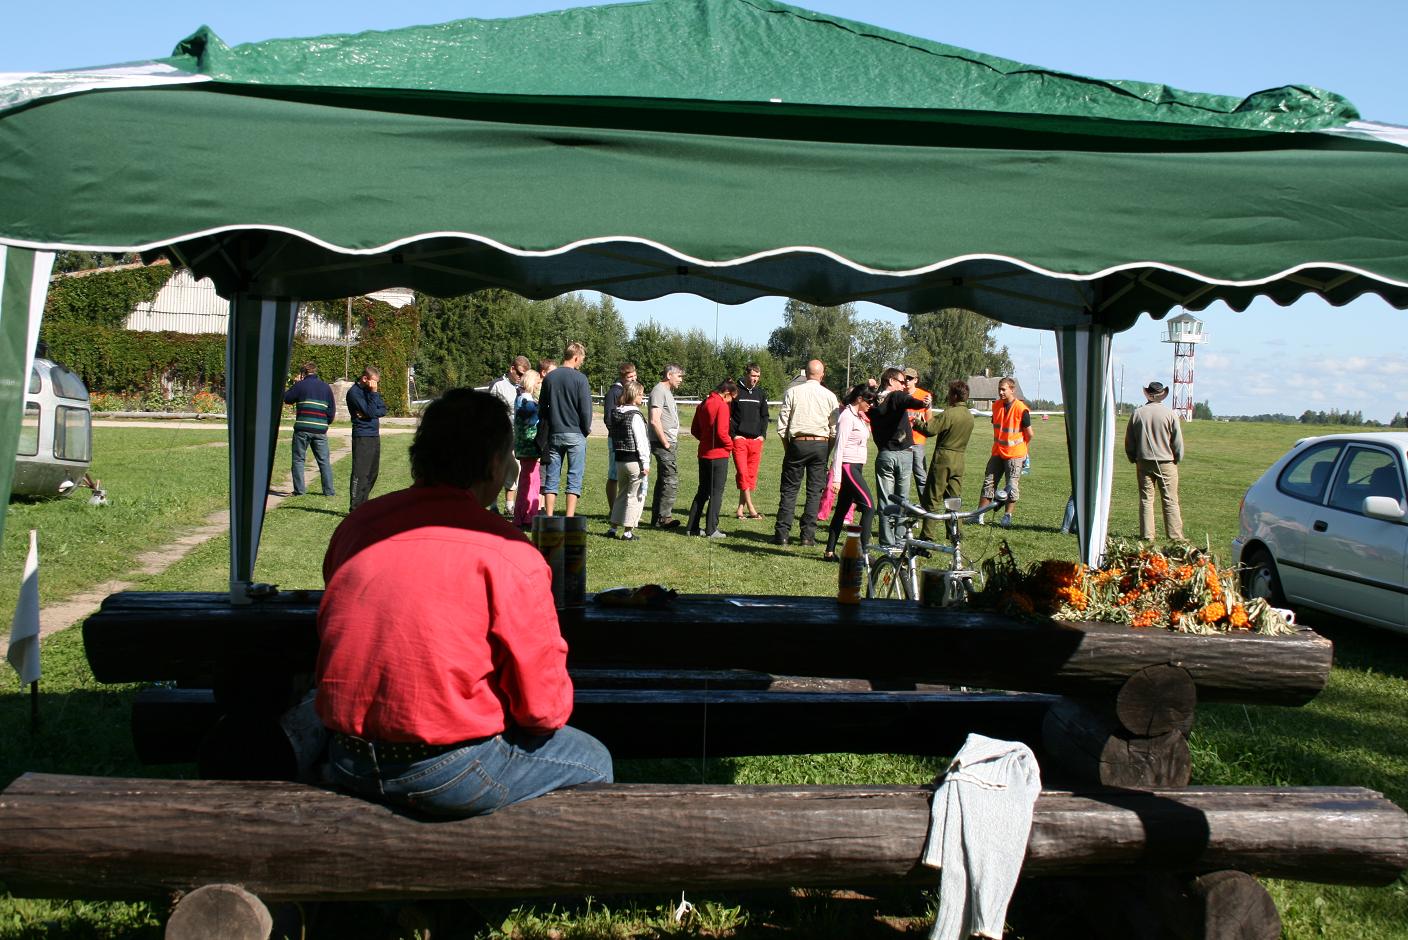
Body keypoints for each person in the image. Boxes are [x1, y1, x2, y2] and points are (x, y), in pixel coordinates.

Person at [316, 388, 613, 818]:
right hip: (446, 765)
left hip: (345, 753)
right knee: (593, 761)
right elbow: (543, 710)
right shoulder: (509, 551)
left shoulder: (360, 525)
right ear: (495, 463)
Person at [773, 359, 839, 547]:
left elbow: (782, 426)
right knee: (814, 493)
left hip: (797, 443)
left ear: (806, 373)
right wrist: (827, 450)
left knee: (789, 490)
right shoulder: (830, 396)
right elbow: (834, 429)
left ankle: (782, 535)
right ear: (821, 374)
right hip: (820, 444)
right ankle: (807, 536)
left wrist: (789, 448)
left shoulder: (793, 392)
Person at [870, 367, 930, 548]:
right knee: (902, 500)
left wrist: (870, 388)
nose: (904, 385)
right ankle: (900, 539)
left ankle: (886, 541)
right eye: (901, 382)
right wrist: (923, 403)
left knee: (885, 501)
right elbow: (908, 400)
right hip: (903, 454)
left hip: (885, 455)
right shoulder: (896, 397)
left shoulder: (872, 401)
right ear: (890, 381)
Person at [537, 341, 592, 517]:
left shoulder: (550, 378)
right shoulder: (580, 379)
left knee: (552, 477)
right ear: (576, 357)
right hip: (575, 433)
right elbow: (585, 409)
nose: (581, 363)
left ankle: (550, 516)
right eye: (581, 359)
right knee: (574, 477)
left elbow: (542, 407)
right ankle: (569, 517)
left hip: (555, 433)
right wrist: (585, 429)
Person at [824, 384, 878, 561]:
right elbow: (839, 448)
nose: (871, 404)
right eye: (869, 400)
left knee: (841, 511)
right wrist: (837, 478)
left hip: (856, 467)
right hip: (848, 467)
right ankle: (862, 553)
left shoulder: (859, 416)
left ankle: (829, 552)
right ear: (859, 399)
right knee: (869, 508)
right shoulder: (847, 416)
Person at [1125, 380, 1185, 540]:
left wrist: (1132, 456)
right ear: (1161, 396)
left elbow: (1129, 440)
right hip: (1166, 462)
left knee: (1146, 499)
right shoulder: (1170, 414)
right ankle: (1175, 536)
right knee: (1170, 500)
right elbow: (1177, 441)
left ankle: (1147, 536)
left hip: (1143, 461)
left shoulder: (1138, 413)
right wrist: (1177, 457)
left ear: (1148, 394)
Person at [917, 380, 975, 542]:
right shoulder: (969, 416)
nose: (948, 396)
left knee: (933, 498)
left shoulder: (949, 413)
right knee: (954, 499)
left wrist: (916, 422)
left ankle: (927, 536)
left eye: (950, 393)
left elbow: (930, 429)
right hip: (960, 459)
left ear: (955, 396)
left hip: (944, 458)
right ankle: (955, 533)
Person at [978, 377, 1032, 528]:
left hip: (1015, 454)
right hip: (997, 452)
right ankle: (979, 515)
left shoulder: (1021, 409)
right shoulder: (996, 406)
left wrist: (1023, 449)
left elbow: (1030, 433)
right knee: (988, 482)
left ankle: (1007, 516)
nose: (1000, 392)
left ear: (1012, 390)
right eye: (999, 389)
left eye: (1004, 389)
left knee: (1012, 486)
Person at [687, 379, 737, 538]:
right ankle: (711, 529)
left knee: (702, 491)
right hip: (718, 455)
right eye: (732, 399)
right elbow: (722, 433)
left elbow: (694, 429)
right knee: (716, 493)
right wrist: (730, 446)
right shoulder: (721, 405)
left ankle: (692, 527)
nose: (731, 402)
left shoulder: (703, 403)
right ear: (727, 393)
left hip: (703, 453)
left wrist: (706, 439)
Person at [283, 361, 336, 497]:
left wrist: (296, 384)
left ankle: (299, 491)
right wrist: (324, 423)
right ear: (315, 372)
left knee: (299, 459)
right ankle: (329, 491)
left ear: (303, 373)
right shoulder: (325, 387)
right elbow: (331, 411)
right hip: (320, 429)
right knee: (324, 461)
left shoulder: (300, 386)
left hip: (302, 428)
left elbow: (287, 398)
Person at [606, 379, 650, 541]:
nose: (642, 397)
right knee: (634, 495)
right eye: (640, 394)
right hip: (633, 460)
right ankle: (628, 531)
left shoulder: (617, 412)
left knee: (622, 494)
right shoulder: (635, 415)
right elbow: (641, 441)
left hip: (619, 459)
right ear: (634, 395)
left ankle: (613, 527)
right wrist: (645, 462)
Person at [490, 356, 530, 514]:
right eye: (520, 374)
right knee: (496, 470)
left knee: (515, 470)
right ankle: (493, 505)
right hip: (500, 436)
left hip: (517, 437)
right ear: (512, 369)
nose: (521, 378)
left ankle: (509, 504)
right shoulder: (498, 385)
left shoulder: (523, 388)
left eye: (524, 375)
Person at [647, 364, 685, 528]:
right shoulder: (659, 391)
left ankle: (659, 518)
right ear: (669, 375)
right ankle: (664, 518)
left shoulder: (666, 392)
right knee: (670, 479)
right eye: (679, 376)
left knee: (665, 479)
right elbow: (655, 420)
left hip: (667, 443)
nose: (681, 380)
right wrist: (665, 442)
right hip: (663, 443)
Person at [346, 365, 387, 512]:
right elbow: (371, 411)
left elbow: (383, 409)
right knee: (360, 473)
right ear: (365, 378)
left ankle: (364, 505)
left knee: (372, 472)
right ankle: (355, 508)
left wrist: (370, 412)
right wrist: (373, 395)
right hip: (362, 435)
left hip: (374, 435)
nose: (375, 385)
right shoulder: (354, 393)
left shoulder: (369, 391)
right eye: (374, 382)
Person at [730, 362, 769, 520]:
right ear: (746, 374)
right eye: (753, 376)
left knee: (750, 476)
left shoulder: (760, 393)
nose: (755, 379)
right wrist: (733, 435)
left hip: (756, 441)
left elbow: (765, 416)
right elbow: (728, 416)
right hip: (740, 440)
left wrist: (763, 435)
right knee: (743, 473)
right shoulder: (736, 391)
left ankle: (740, 509)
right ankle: (752, 509)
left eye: (758, 377)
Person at [603, 362, 637, 511]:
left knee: (628, 475)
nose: (634, 379)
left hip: (629, 440)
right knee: (614, 474)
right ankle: (613, 510)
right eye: (630, 377)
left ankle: (625, 510)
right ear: (622, 377)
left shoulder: (629, 390)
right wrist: (619, 433)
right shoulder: (614, 392)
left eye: (635, 375)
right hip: (616, 440)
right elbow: (608, 418)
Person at [513, 369, 544, 527]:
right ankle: (529, 515)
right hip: (530, 447)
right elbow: (532, 421)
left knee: (525, 481)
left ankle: (520, 515)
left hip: (521, 447)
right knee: (532, 482)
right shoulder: (528, 403)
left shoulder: (519, 399)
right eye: (539, 383)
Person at [904, 368, 932, 496]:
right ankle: (902, 507)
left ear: (916, 380)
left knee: (920, 475)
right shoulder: (899, 393)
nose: (906, 381)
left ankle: (926, 508)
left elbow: (929, 421)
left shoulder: (924, 396)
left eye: (909, 379)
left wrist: (928, 407)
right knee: (903, 477)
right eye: (904, 378)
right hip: (902, 441)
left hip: (917, 441)